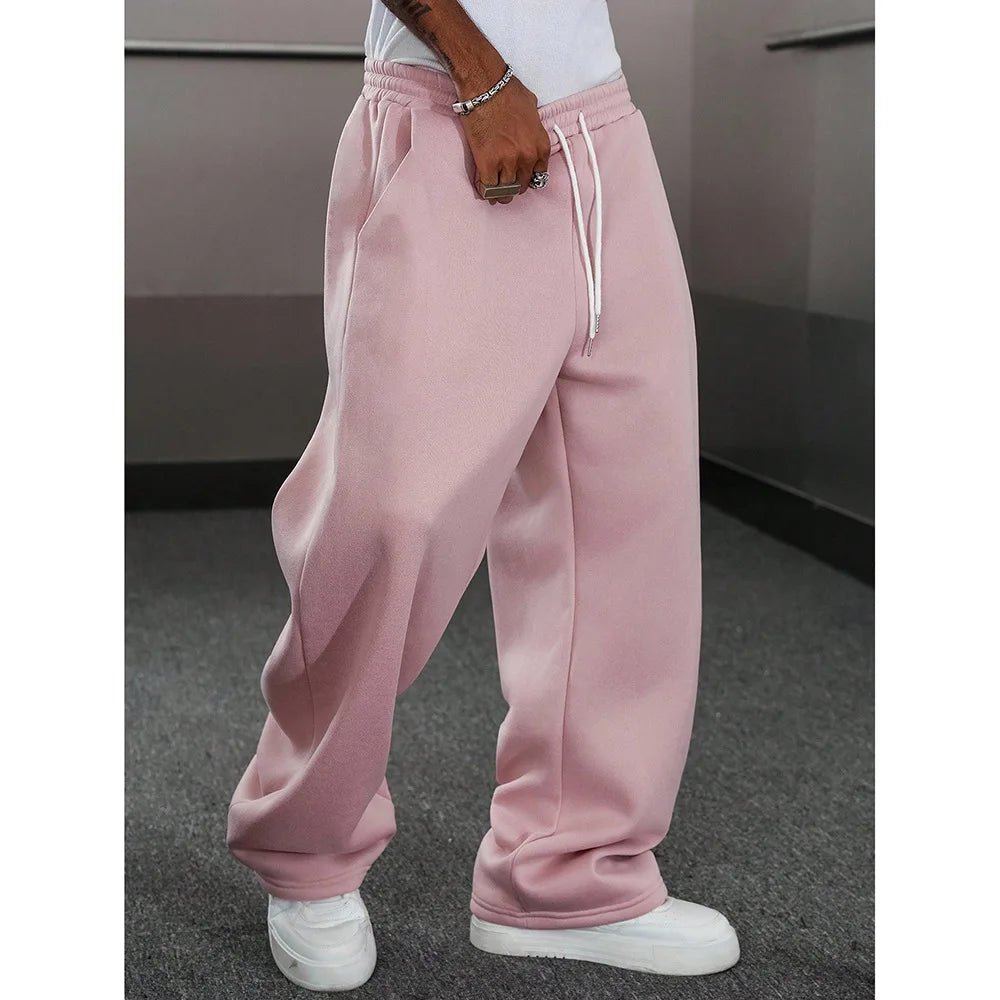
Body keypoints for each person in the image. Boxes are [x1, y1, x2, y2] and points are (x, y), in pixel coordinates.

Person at [226, 0, 740, 990]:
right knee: (390, 514)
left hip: (604, 131)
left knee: (624, 518)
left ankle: (566, 874)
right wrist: (484, 75)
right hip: (452, 113)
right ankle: (307, 849)